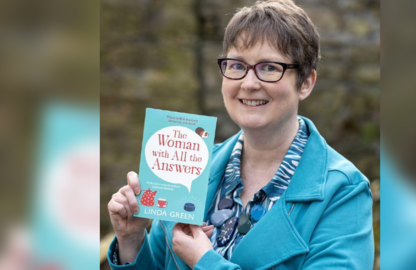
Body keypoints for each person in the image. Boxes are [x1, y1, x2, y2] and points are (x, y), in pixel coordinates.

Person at [107, 0, 374, 269]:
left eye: (269, 67)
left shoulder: (343, 191)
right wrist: (131, 240)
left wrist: (206, 262)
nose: (248, 83)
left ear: (305, 83)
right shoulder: (190, 167)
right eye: (237, 65)